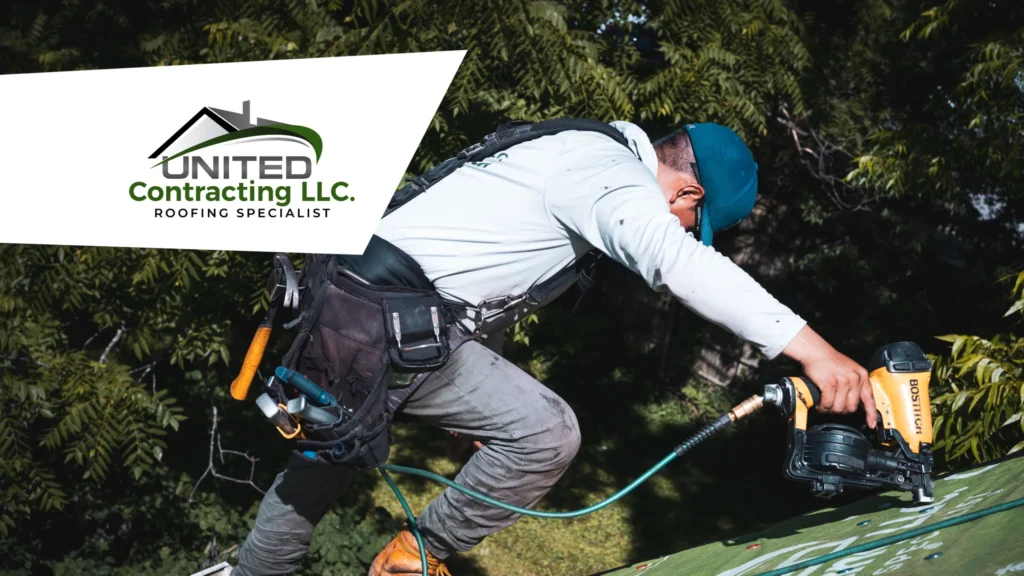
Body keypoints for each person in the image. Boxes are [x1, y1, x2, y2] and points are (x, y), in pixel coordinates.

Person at [234, 120, 876, 576]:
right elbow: (674, 264)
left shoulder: (569, 149)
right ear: (687, 195)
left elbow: (480, 281)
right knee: (548, 433)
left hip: (348, 302)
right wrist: (811, 349)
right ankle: (414, 558)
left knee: (324, 461)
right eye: (689, 224)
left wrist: (471, 413)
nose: (679, 230)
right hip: (389, 317)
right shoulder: (610, 175)